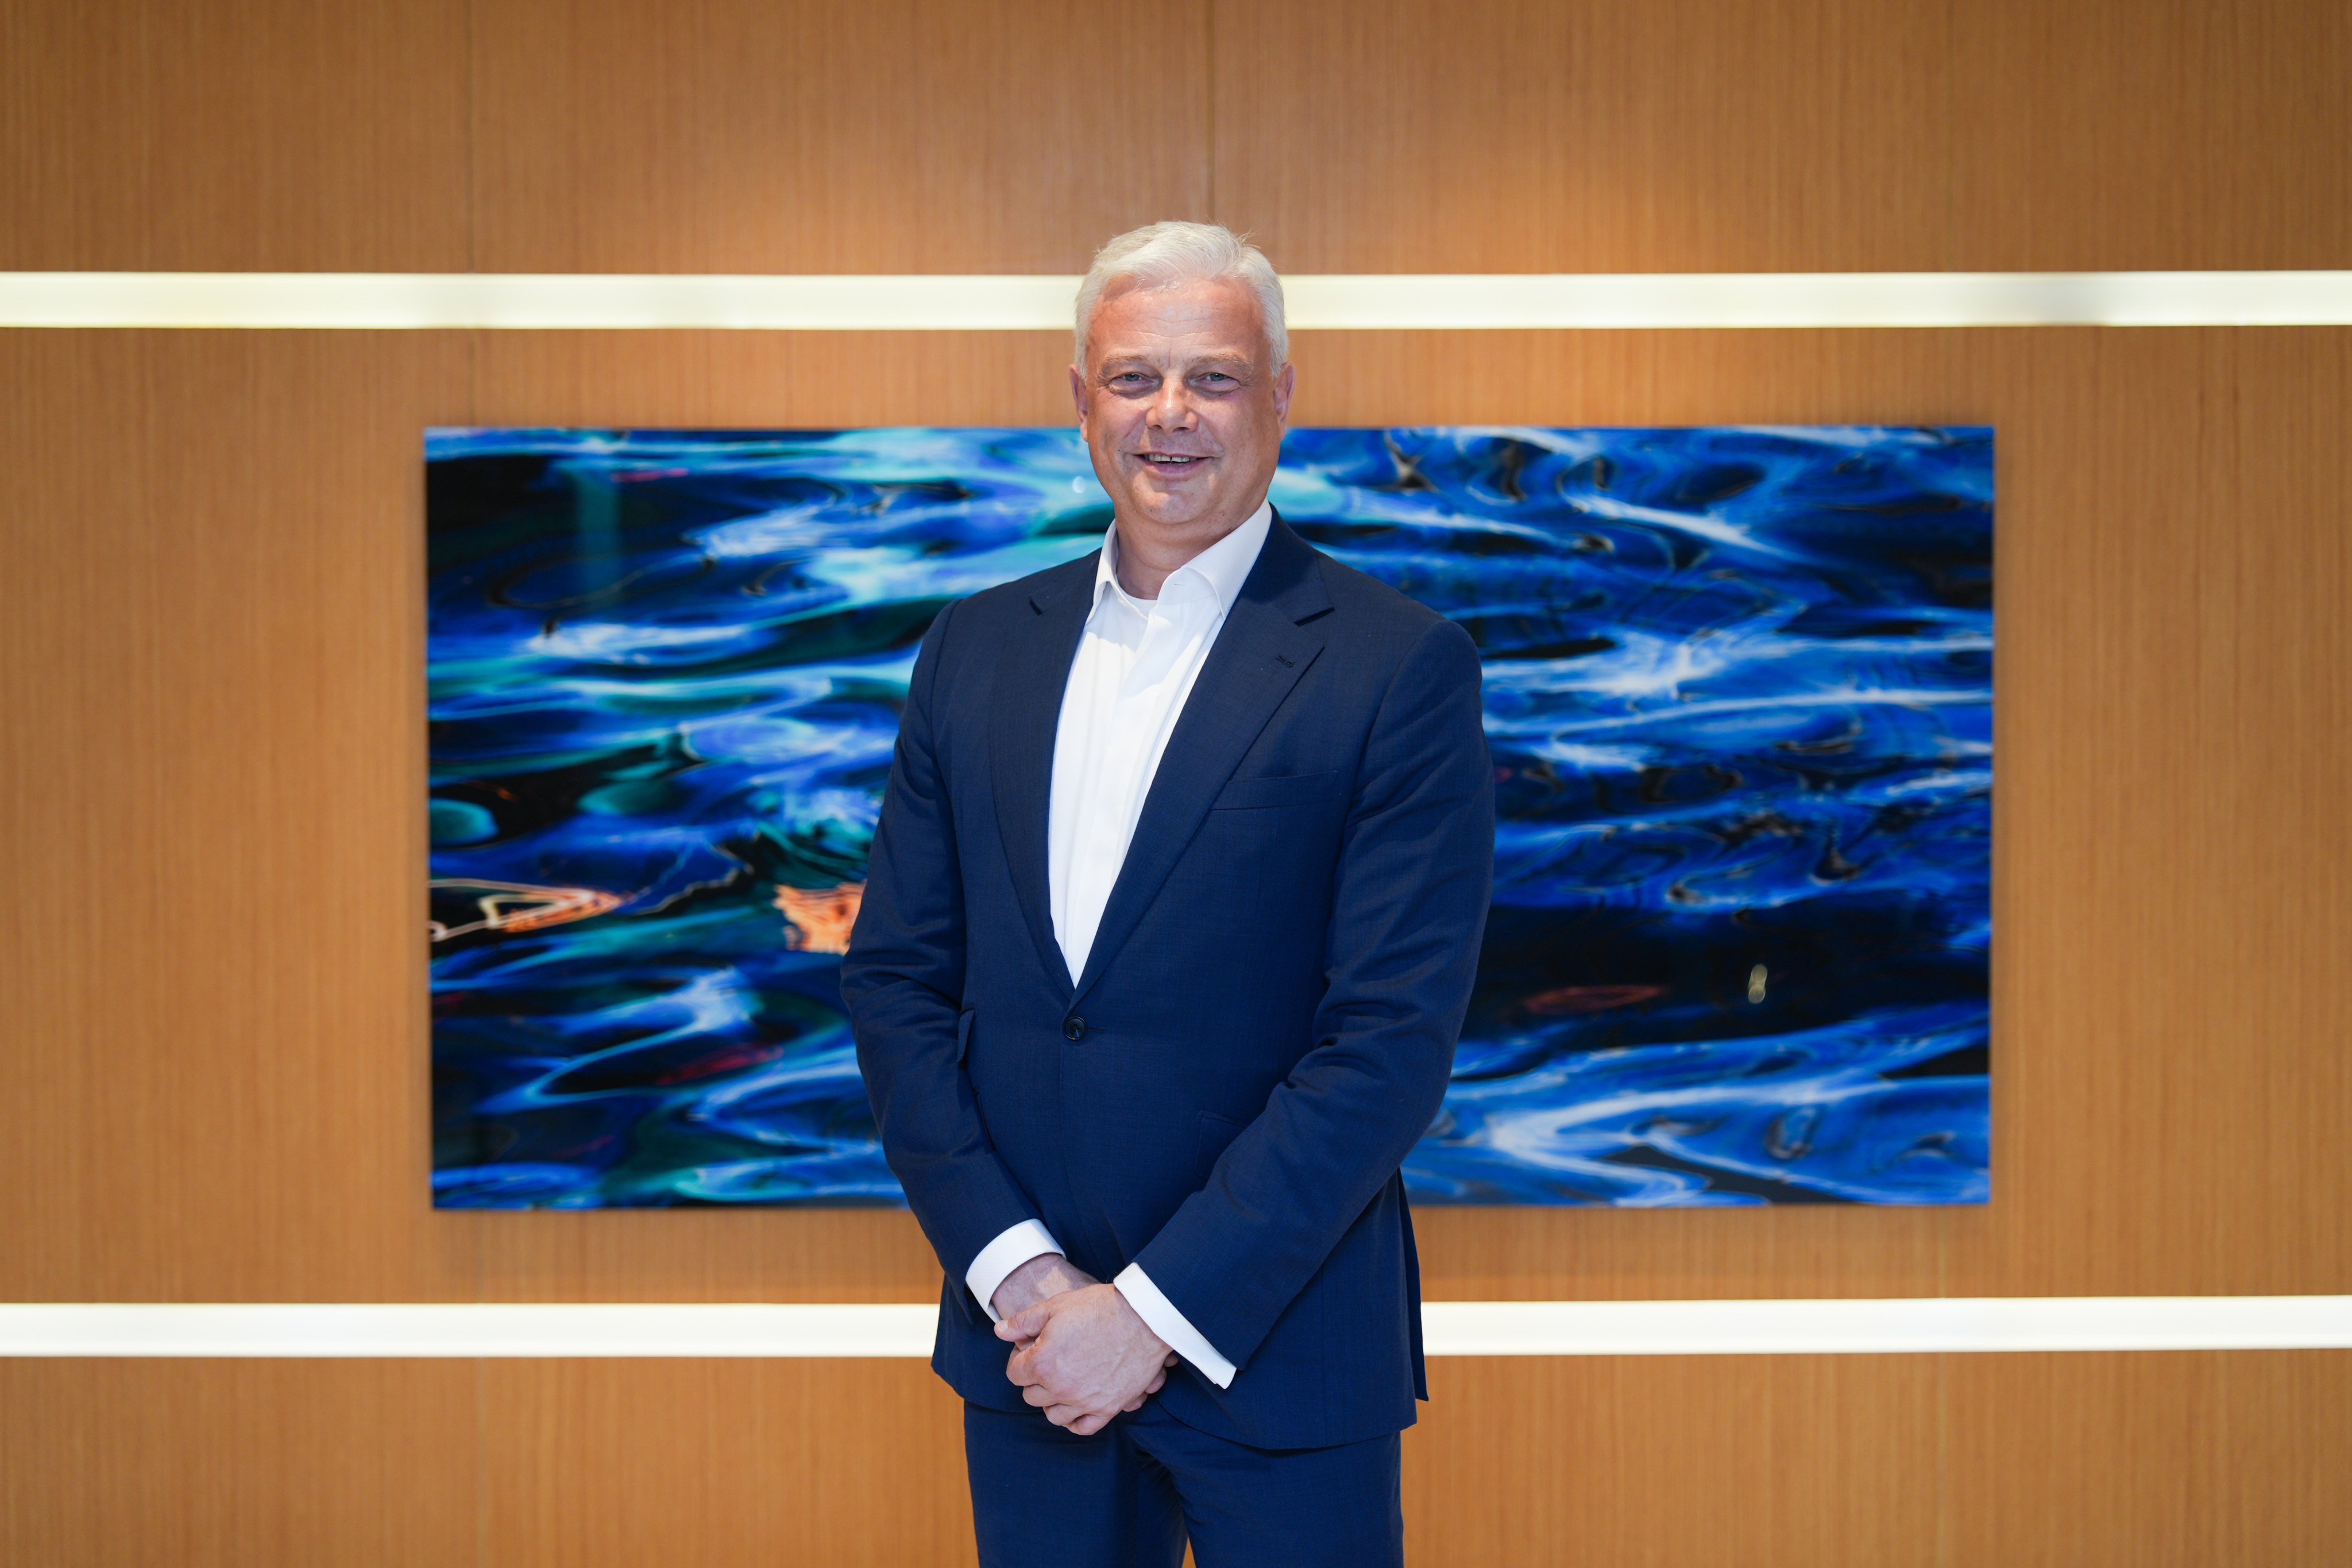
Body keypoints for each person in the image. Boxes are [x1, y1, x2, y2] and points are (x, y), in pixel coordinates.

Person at [841, 220, 1494, 1567]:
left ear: (1280, 394)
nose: (1170, 416)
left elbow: (1385, 1045)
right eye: (1134, 378)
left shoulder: (1396, 666)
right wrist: (1023, 1277)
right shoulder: (972, 649)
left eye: (1213, 377)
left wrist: (1144, 1313)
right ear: (1080, 397)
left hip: (1284, 1351)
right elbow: (897, 982)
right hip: (1028, 1361)